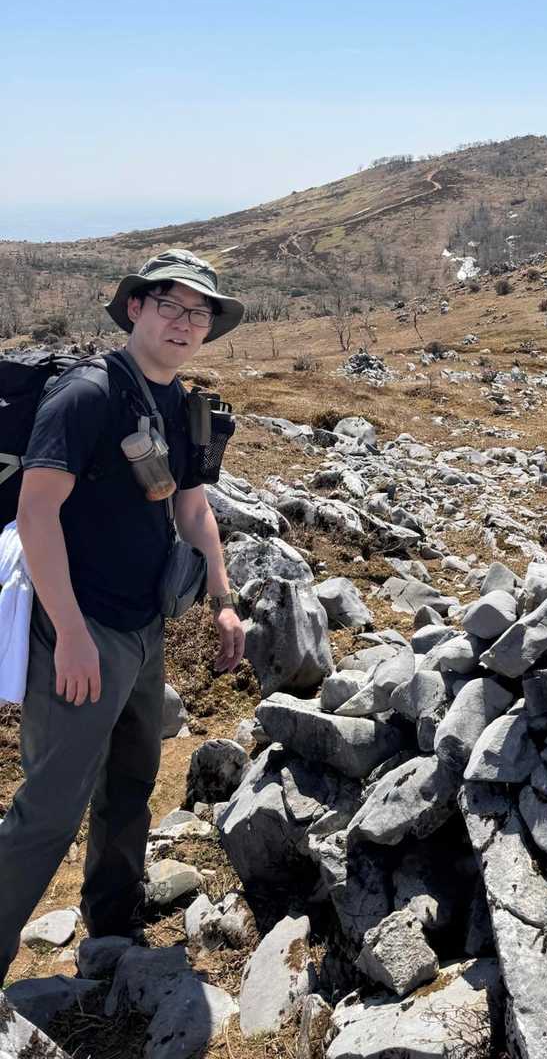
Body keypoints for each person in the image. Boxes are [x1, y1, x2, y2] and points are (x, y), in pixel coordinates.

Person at [0, 249, 246, 982]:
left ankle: (112, 925)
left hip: (144, 626)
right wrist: (71, 634)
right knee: (50, 807)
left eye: (199, 313)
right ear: (135, 307)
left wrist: (223, 599)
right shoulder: (88, 395)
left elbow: (192, 507)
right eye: (170, 305)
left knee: (132, 781)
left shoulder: (182, 404)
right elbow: (36, 513)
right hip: (80, 627)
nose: (184, 323)